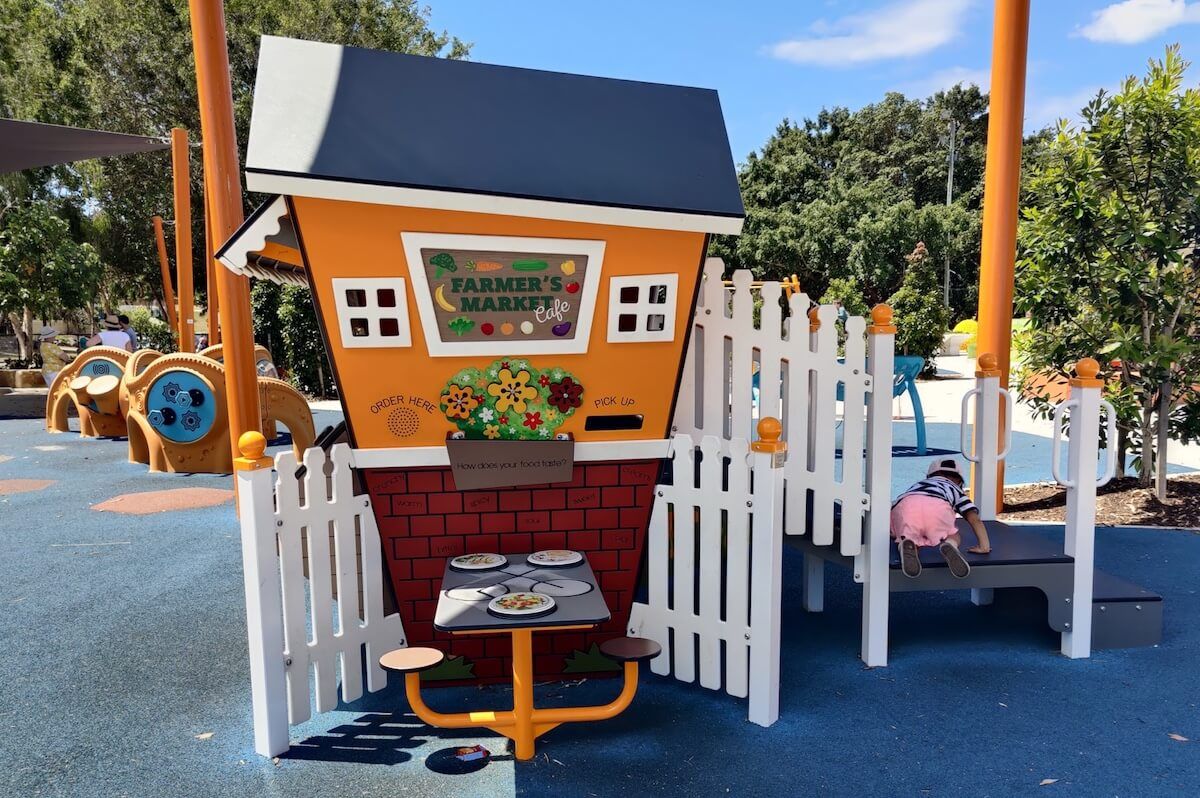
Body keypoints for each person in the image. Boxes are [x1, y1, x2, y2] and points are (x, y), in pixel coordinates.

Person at [891, 458, 990, 579]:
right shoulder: (955, 489)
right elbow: (974, 519)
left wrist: (893, 529)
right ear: (959, 481)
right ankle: (950, 545)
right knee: (952, 534)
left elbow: (895, 505)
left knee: (906, 534)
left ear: (929, 476)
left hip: (906, 504)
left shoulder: (918, 485)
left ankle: (905, 544)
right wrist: (983, 545)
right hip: (937, 506)